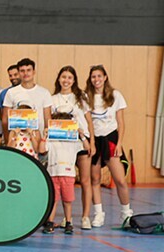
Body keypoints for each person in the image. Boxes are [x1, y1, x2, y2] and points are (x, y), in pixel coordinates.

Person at [86, 65, 132, 227]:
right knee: (95, 179)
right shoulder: (87, 97)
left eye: (99, 76)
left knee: (120, 180)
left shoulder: (115, 95)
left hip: (111, 139)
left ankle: (126, 214)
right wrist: (90, 141)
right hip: (94, 140)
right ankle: (98, 214)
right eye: (93, 76)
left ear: (105, 77)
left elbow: (121, 122)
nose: (96, 79)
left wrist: (119, 144)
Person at [51, 66, 95, 229]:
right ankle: (66, 218)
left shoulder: (81, 97)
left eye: (69, 77)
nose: (66, 80)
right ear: (59, 79)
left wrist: (91, 142)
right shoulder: (53, 99)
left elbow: (89, 121)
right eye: (63, 77)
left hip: (81, 140)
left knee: (85, 180)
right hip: (61, 144)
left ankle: (85, 217)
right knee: (64, 180)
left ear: (74, 80)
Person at [38, 112, 84, 235]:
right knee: (53, 200)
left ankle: (68, 222)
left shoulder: (74, 142)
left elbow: (87, 148)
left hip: (68, 174)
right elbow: (41, 150)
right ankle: (50, 222)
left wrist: (82, 136)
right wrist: (44, 136)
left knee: (67, 200)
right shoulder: (51, 141)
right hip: (53, 174)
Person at [1, 58, 52, 144]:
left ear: (34, 72)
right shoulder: (11, 92)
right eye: (22, 71)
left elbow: (47, 119)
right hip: (16, 141)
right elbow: (5, 120)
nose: (25, 73)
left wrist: (45, 142)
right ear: (18, 73)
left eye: (28, 70)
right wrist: (7, 140)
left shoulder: (44, 92)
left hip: (38, 141)